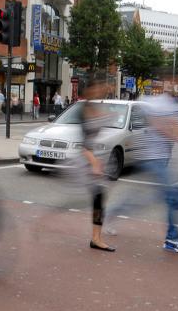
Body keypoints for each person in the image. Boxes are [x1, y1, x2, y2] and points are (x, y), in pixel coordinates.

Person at [105, 90, 178, 254]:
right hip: (153, 160)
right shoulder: (157, 104)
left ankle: (112, 212)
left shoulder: (172, 105)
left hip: (160, 160)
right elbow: (168, 129)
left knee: (150, 198)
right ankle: (172, 240)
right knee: (175, 197)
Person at [76, 83, 115, 252]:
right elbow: (83, 145)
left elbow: (104, 119)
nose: (99, 91)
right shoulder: (83, 110)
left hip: (95, 159)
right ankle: (95, 239)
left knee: (99, 199)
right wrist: (93, 163)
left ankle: (96, 238)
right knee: (97, 198)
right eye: (96, 89)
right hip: (87, 160)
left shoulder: (93, 107)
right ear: (88, 91)